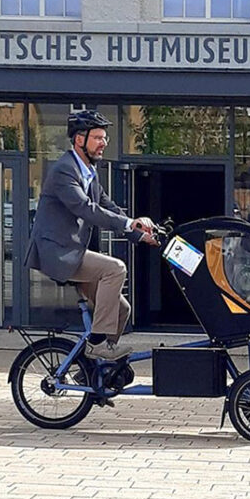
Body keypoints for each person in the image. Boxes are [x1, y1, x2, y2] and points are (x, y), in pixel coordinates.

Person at [25, 110, 157, 361]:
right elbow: (86, 209)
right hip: (58, 252)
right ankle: (97, 344)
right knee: (115, 268)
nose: (103, 143)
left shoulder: (88, 172)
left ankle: (96, 366)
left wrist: (140, 235)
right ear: (79, 140)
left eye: (105, 138)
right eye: (97, 137)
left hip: (71, 252)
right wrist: (130, 223)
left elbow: (108, 207)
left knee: (121, 309)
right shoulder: (65, 170)